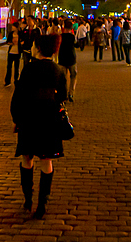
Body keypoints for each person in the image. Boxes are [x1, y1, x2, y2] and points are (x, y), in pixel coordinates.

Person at [11, 33, 67, 219]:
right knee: (46, 159)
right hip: (49, 118)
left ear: (39, 48)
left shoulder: (29, 68)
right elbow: (62, 96)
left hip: (29, 117)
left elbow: (19, 95)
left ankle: (28, 198)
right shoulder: (58, 70)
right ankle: (43, 202)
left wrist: (16, 119)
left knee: (27, 158)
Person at [58, 23, 78, 101]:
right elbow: (77, 45)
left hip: (62, 59)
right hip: (71, 59)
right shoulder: (72, 37)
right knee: (73, 76)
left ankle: (64, 93)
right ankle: (71, 93)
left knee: (63, 78)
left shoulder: (60, 36)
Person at [5, 21, 22, 86]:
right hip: (11, 52)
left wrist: (19, 43)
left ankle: (16, 80)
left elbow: (22, 41)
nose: (12, 28)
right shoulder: (11, 34)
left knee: (16, 67)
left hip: (17, 52)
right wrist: (11, 43)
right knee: (9, 67)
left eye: (13, 27)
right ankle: (7, 81)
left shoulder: (20, 34)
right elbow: (7, 42)